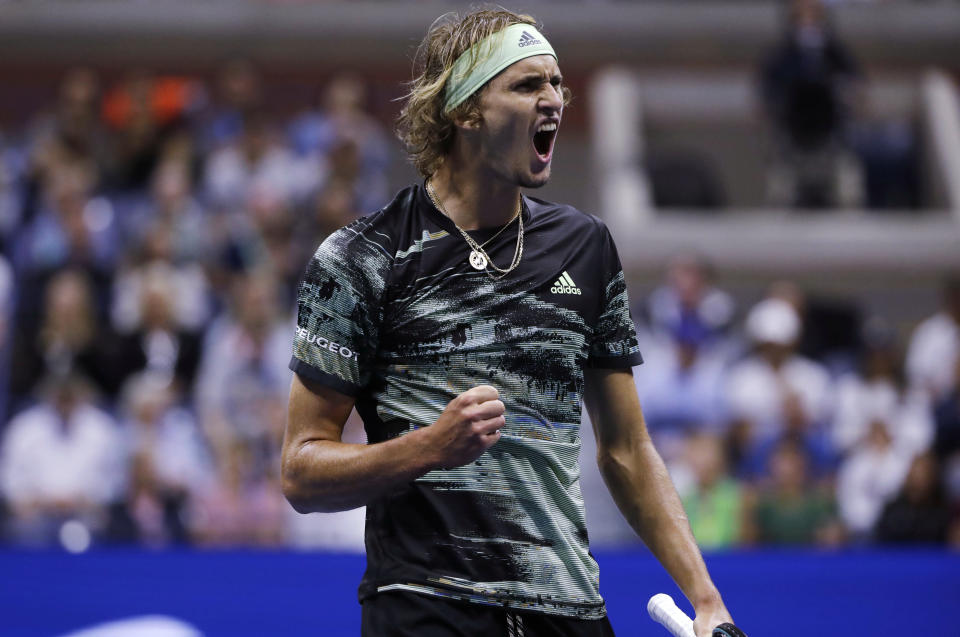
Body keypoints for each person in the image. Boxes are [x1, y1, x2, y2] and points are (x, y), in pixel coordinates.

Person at [282, 9, 737, 637]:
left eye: (557, 83)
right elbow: (301, 471)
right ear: (466, 111)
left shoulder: (586, 246)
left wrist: (706, 597)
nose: (553, 99)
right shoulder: (361, 257)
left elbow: (628, 451)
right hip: (425, 607)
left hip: (569, 609)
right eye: (527, 85)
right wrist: (428, 448)